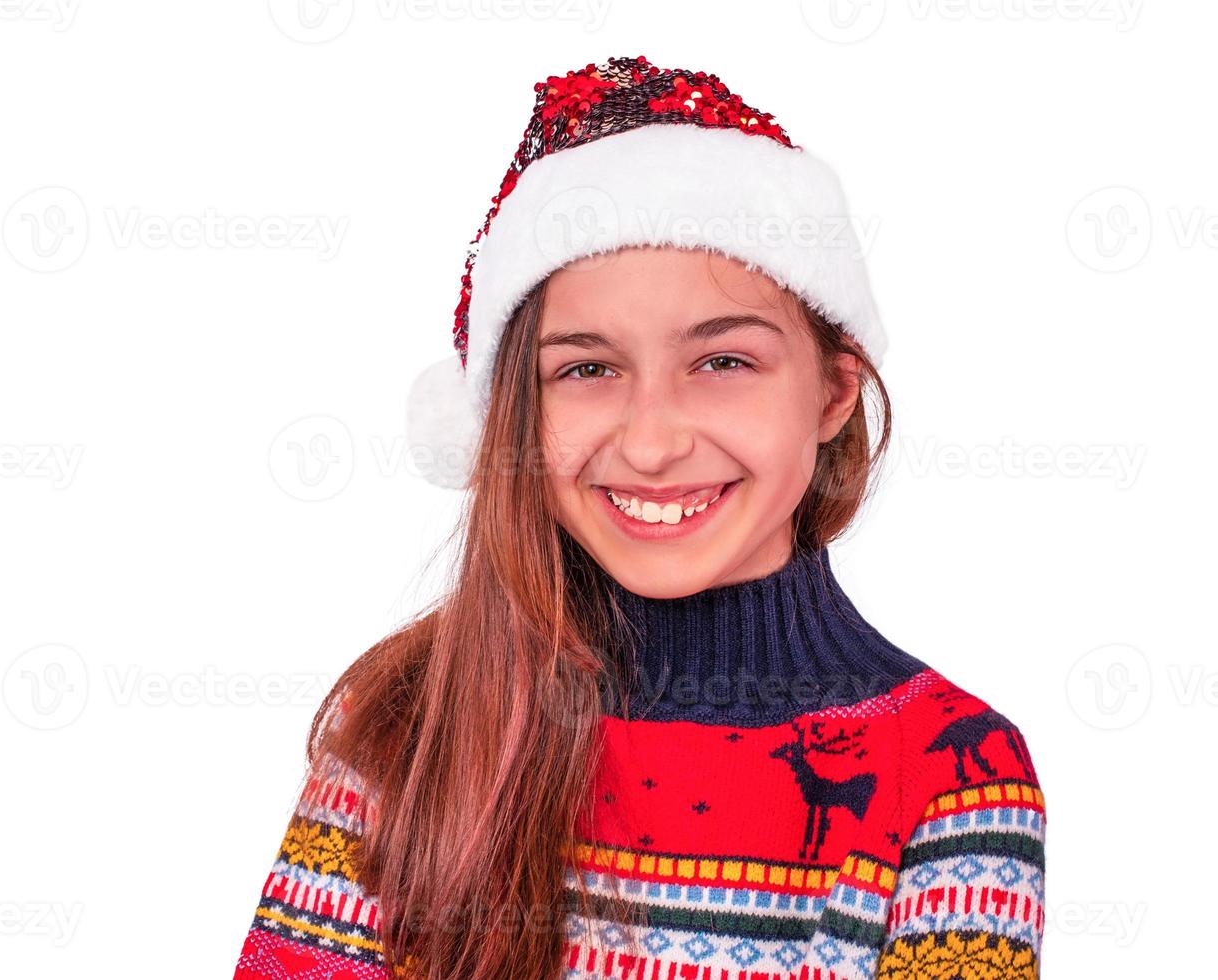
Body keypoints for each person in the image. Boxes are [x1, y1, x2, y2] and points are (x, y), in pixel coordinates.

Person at [231, 55, 1046, 980]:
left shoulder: (951, 776)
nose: (652, 444)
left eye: (723, 362)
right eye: (587, 369)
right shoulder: (404, 730)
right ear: (512, 411)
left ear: (831, 392)